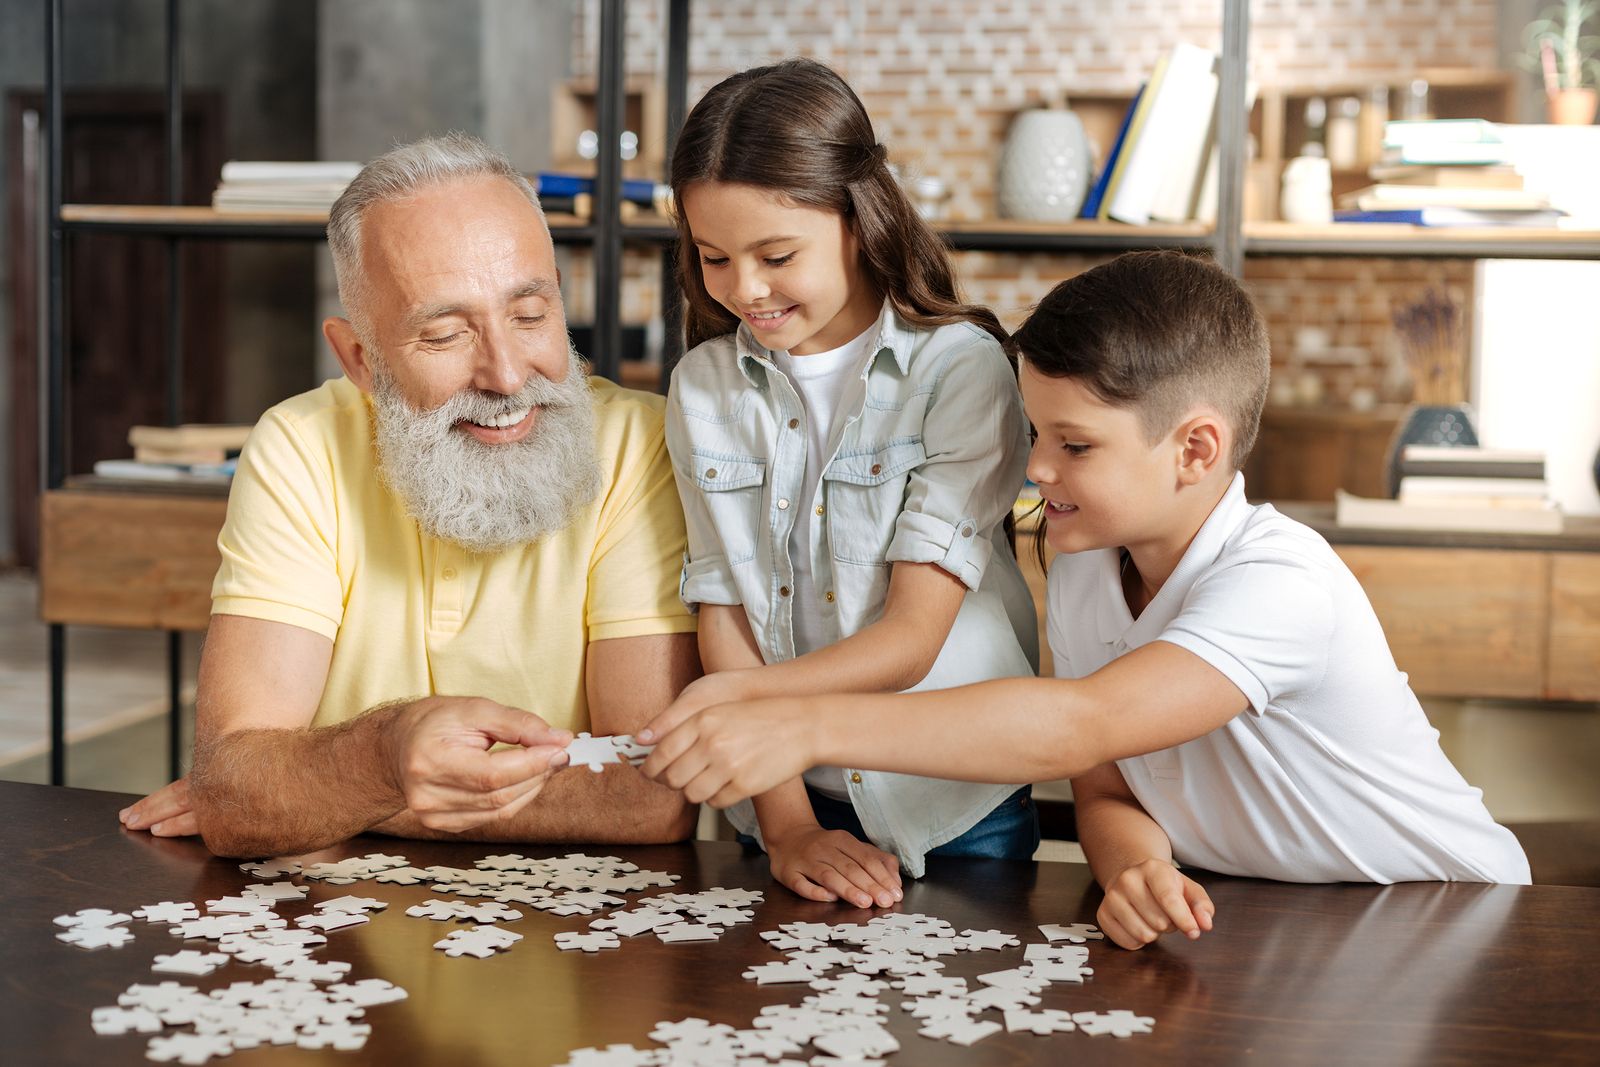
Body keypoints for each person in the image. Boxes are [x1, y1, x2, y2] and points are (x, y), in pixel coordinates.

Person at [639, 250, 1532, 947]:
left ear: (1195, 449)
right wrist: (1136, 864)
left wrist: (802, 725)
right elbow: (1104, 785)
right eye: (1037, 433)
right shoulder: (1083, 568)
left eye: (1075, 444)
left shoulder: (1283, 583)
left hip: (1459, 920)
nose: (1034, 468)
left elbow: (1079, 726)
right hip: (1276, 918)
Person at [117, 133, 700, 858]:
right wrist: (381, 754)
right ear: (361, 359)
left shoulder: (639, 444)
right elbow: (237, 790)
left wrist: (342, 788)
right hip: (336, 949)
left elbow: (651, 792)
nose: (509, 375)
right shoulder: (298, 447)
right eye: (446, 333)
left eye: (530, 314)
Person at [658, 58, 1042, 912]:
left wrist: (729, 703)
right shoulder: (703, 387)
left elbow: (910, 640)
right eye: (714, 256)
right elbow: (724, 608)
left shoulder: (962, 372)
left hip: (951, 801)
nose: (743, 288)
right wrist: (787, 821)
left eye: (776, 253)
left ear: (858, 219)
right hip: (781, 803)